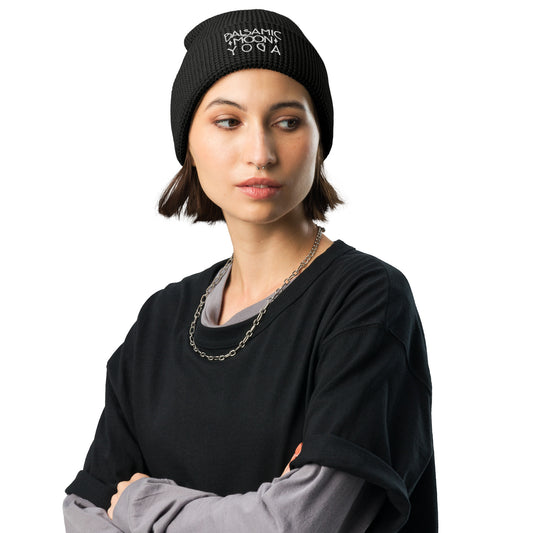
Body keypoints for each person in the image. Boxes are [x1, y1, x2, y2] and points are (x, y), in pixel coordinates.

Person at [64, 9, 437, 532]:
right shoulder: (160, 320)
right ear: (189, 145)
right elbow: (82, 512)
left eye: (287, 122)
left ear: (319, 140)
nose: (260, 153)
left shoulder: (367, 300)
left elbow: (296, 525)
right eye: (228, 121)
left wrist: (141, 503)